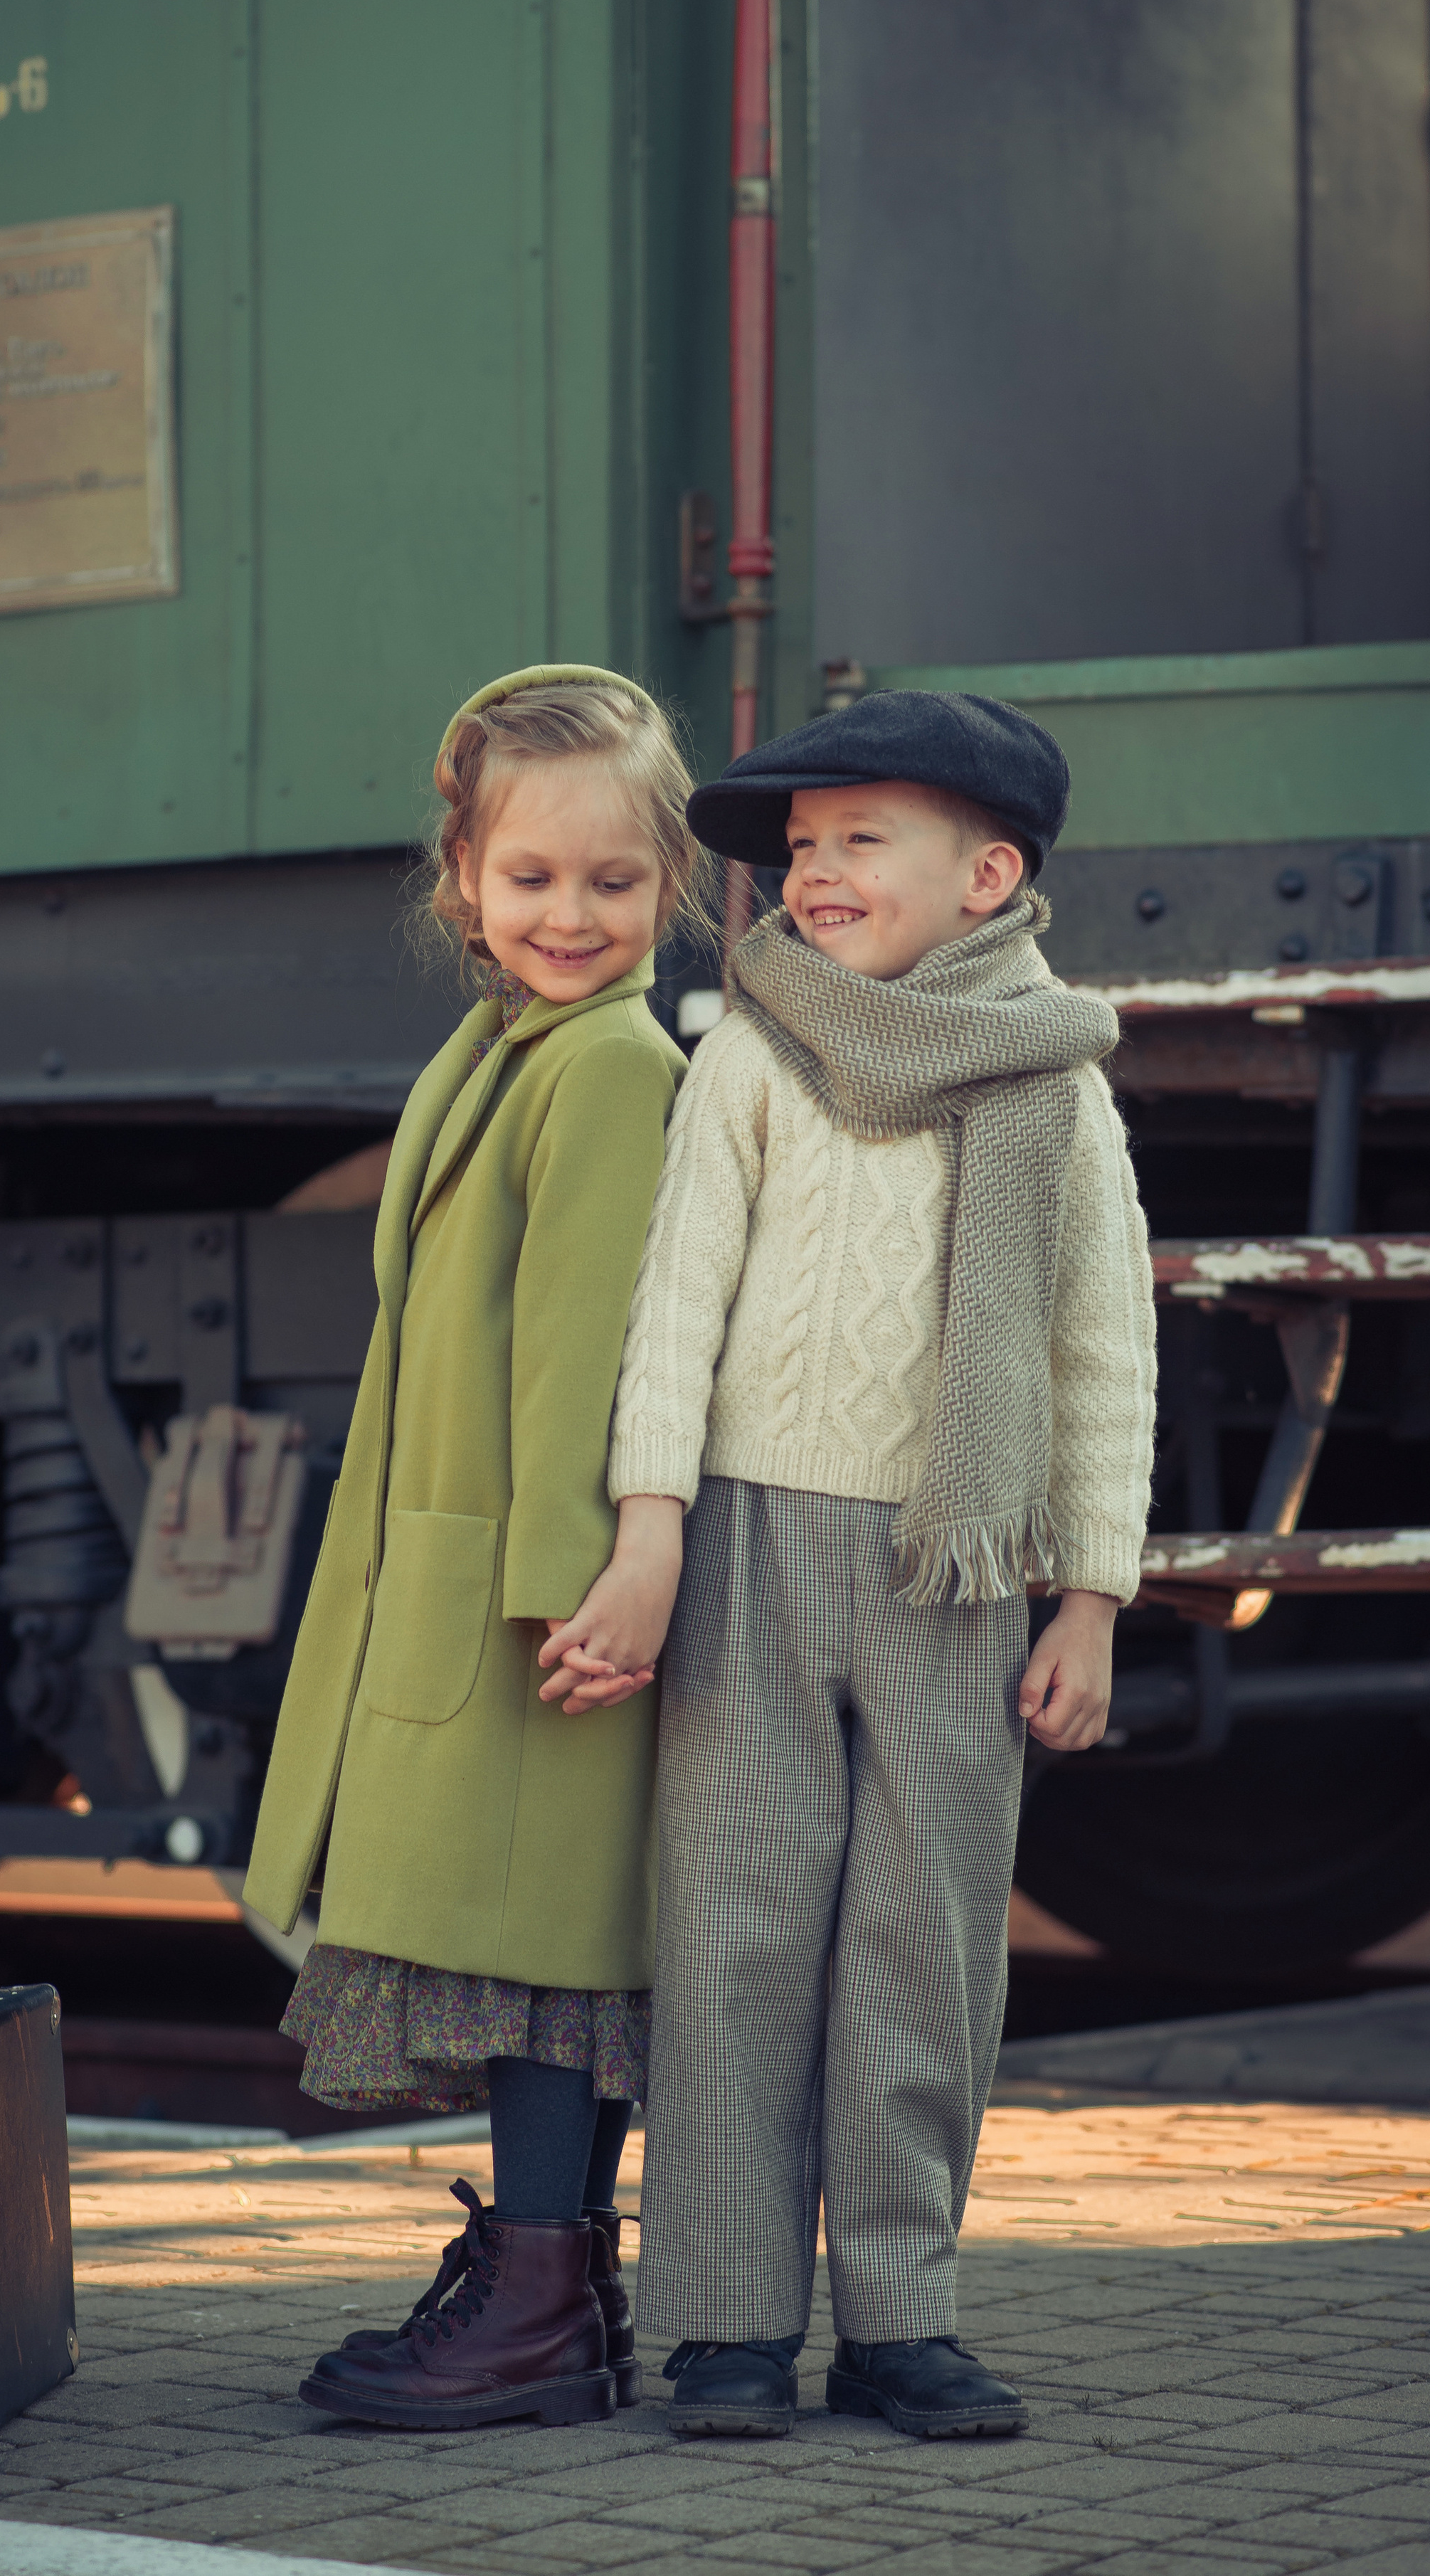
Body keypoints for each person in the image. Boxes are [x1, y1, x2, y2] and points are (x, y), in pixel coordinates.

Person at [546, 690, 1158, 2439]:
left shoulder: (1056, 1081)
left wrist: (1093, 1598)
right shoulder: (750, 1049)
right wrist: (650, 1523)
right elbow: (675, 1308)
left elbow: (1101, 1351)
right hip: (746, 1538)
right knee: (733, 1932)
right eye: (797, 849)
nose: (810, 875)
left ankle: (901, 2315)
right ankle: (726, 2317)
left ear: (987, 874)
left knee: (925, 1944)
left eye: (854, 842)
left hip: (958, 1570)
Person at [240, 666, 709, 2432]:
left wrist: (580, 1595)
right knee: (539, 1957)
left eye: (611, 881)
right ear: (463, 881)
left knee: (545, 1961)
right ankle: (545, 2292)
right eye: (529, 881)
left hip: (542, 1597)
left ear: (670, 883)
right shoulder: (503, 1047)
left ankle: (533, 2303)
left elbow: (586, 1350)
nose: (569, 917)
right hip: (480, 1570)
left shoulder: (601, 1067)